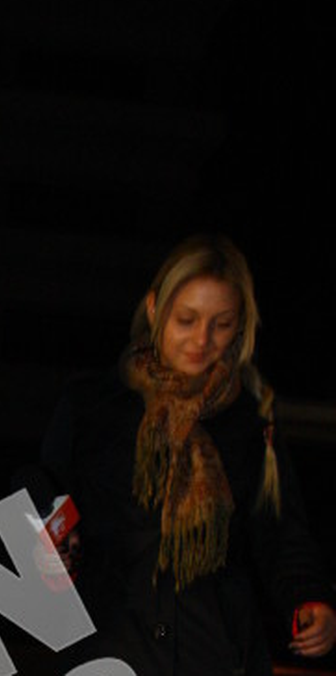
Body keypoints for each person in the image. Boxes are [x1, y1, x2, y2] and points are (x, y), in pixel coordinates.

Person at [40, 233, 336, 675]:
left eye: (222, 324)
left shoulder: (252, 421)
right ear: (154, 309)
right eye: (186, 320)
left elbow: (280, 534)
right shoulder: (92, 407)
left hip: (214, 652)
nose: (202, 339)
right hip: (110, 651)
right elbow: (43, 505)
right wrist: (49, 552)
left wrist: (310, 598)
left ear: (241, 326)